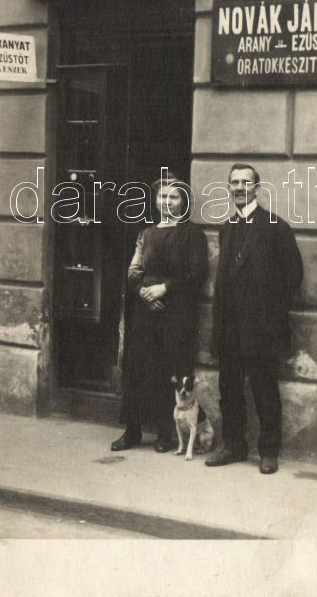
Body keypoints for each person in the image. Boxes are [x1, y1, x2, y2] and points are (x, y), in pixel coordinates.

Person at [205, 163, 303, 473]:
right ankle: (233, 446)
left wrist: (267, 313)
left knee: (265, 391)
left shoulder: (275, 226)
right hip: (230, 328)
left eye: (245, 182)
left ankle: (269, 452)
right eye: (234, 182)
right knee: (230, 390)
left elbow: (293, 276)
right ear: (229, 188)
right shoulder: (227, 228)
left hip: (261, 329)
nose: (239, 187)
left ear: (256, 188)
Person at [111, 176, 208, 453]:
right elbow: (134, 271)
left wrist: (164, 289)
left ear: (183, 202)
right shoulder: (146, 234)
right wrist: (143, 292)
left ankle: (166, 432)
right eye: (162, 196)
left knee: (168, 369)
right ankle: (132, 431)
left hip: (175, 313)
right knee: (137, 368)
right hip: (145, 312)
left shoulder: (192, 235)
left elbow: (197, 273)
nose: (167, 202)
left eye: (173, 197)